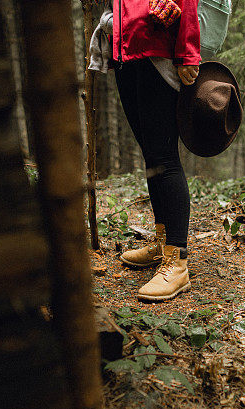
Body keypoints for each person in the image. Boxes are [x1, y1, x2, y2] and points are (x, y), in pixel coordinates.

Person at [102, 0, 201, 302]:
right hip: (127, 51)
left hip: (158, 50)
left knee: (164, 158)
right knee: (151, 156)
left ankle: (178, 260)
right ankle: (163, 244)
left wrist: (188, 52)